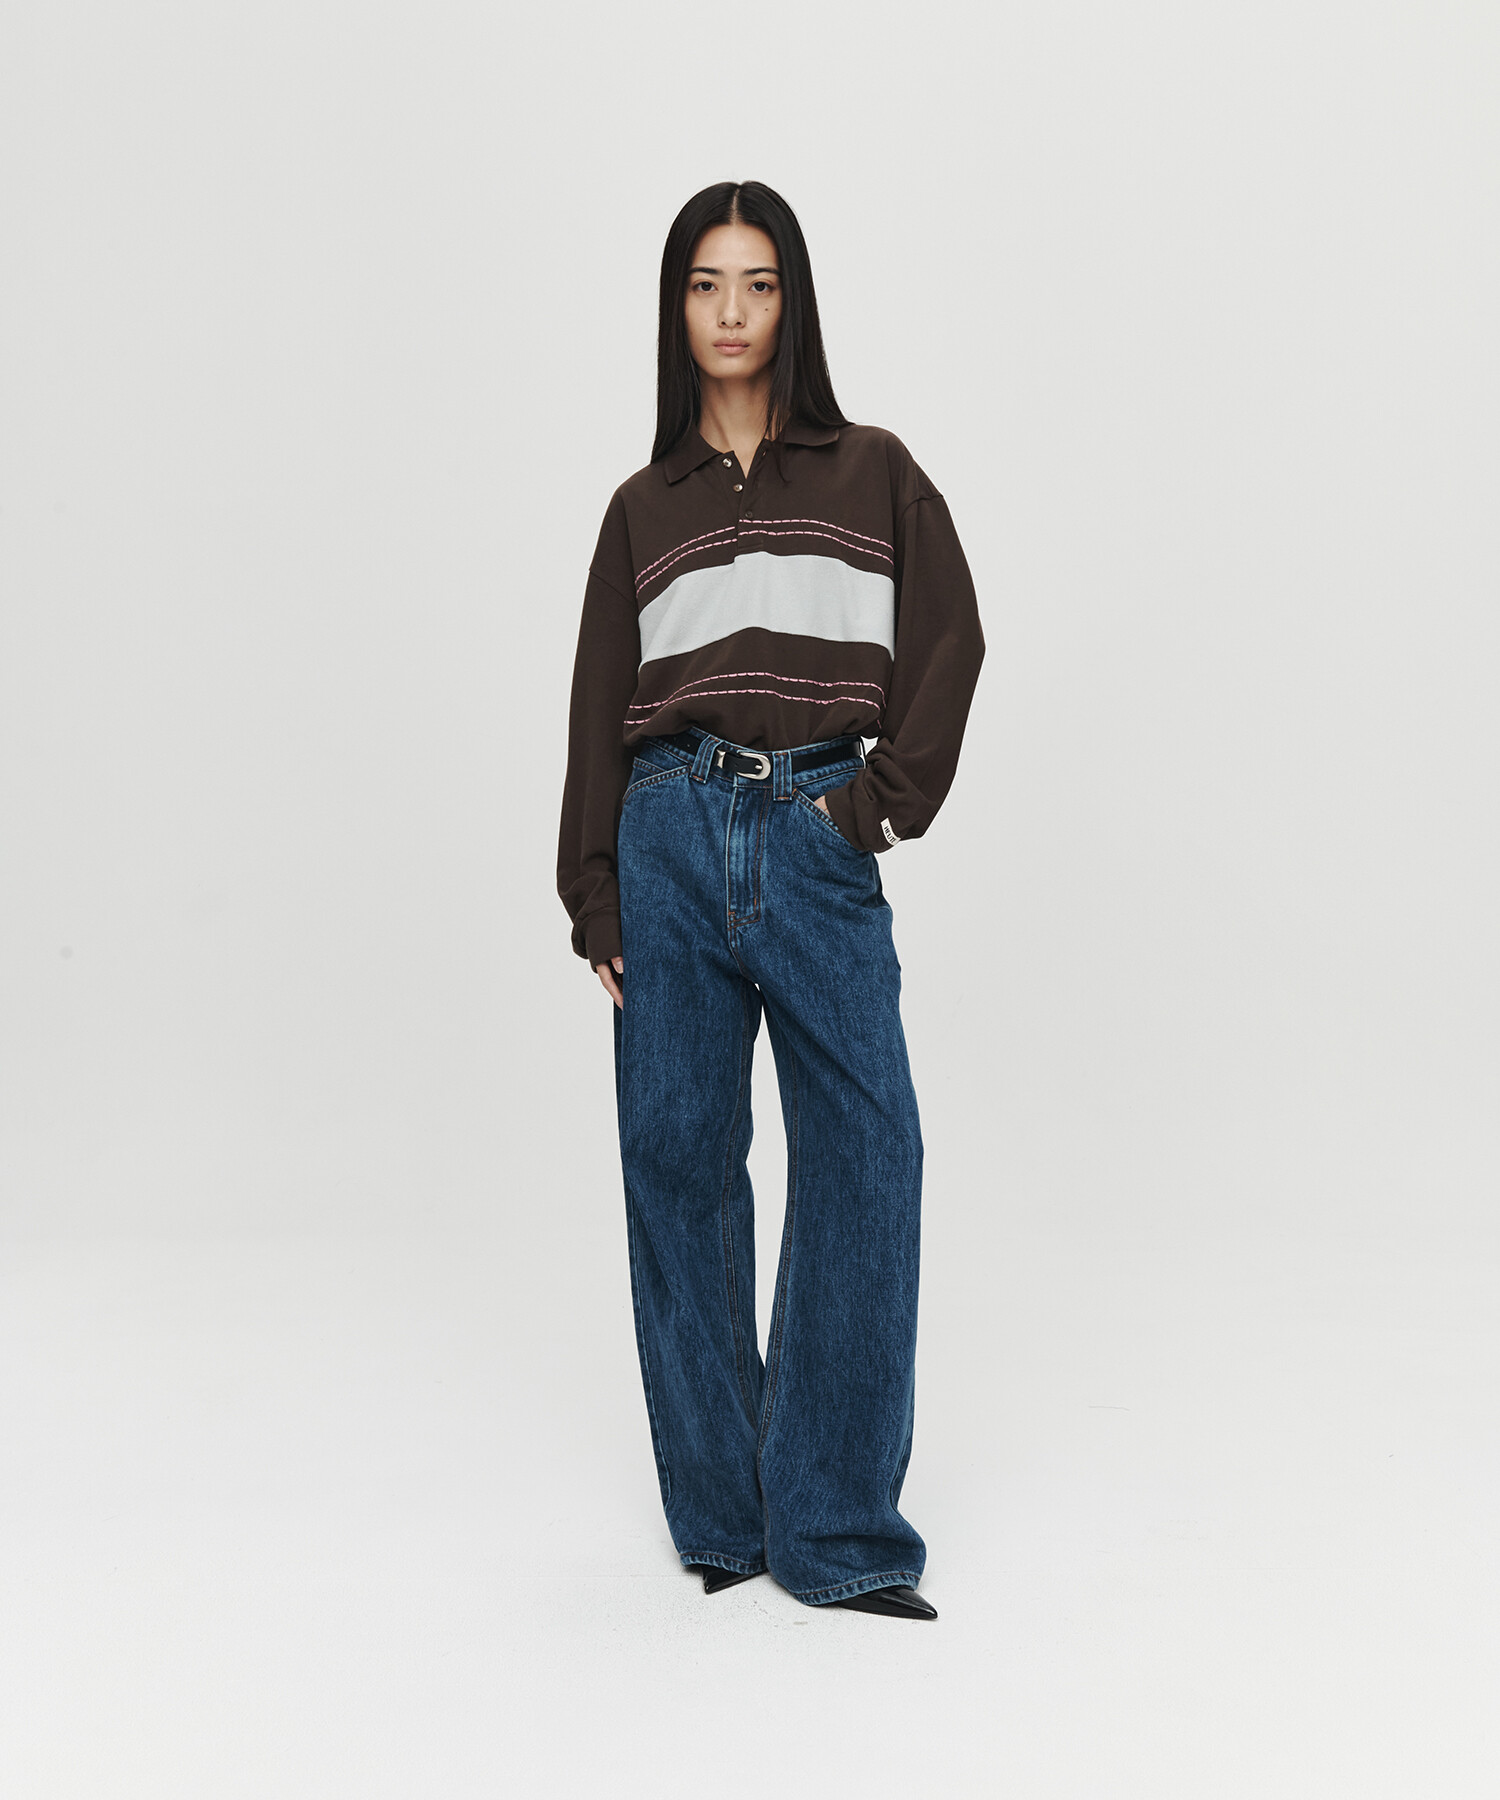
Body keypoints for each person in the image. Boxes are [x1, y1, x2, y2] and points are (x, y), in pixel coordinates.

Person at [557, 181, 984, 1619]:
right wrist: (595, 891)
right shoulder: (642, 510)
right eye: (704, 285)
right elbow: (597, 707)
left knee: (869, 1153)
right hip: (669, 833)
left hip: (814, 836)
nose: (730, 312)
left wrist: (872, 809)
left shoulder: (872, 471)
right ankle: (726, 1519)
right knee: (678, 1163)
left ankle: (837, 1531)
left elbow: (952, 638)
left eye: (756, 284)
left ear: (792, 303)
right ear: (675, 311)